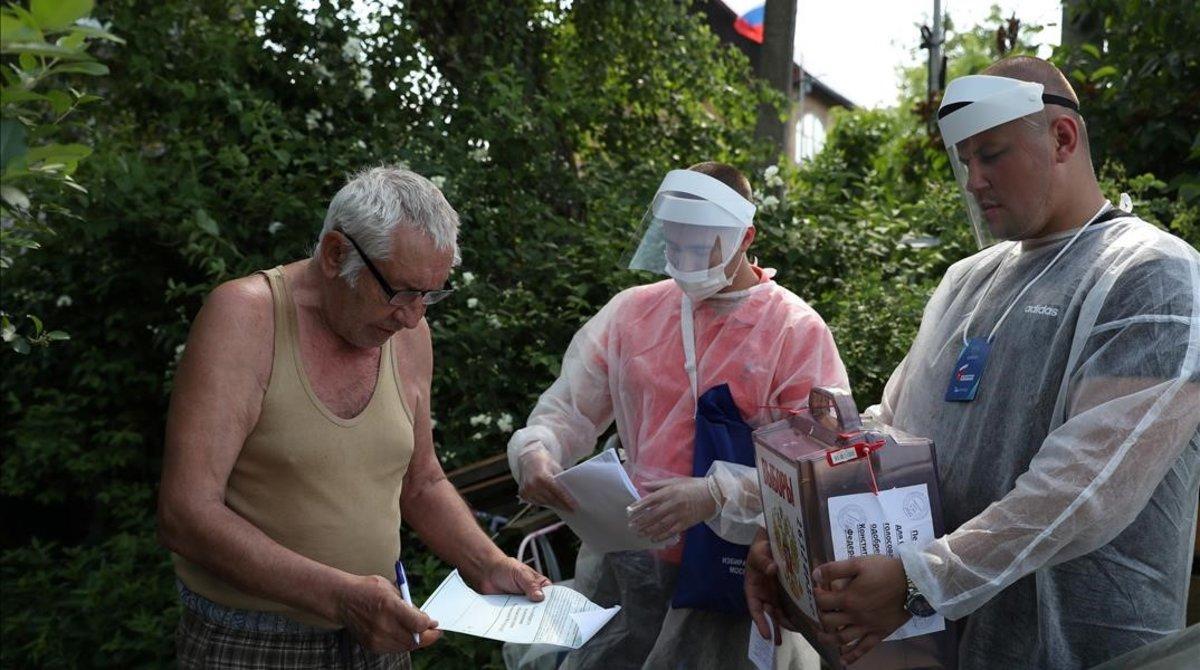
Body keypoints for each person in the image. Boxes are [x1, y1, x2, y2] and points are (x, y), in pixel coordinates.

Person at [745, 56, 1200, 670]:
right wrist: (793, 527)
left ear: (1062, 138)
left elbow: (1084, 489)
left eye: (992, 154)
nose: (973, 180)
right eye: (965, 161)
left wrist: (919, 583)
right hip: (949, 645)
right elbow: (888, 432)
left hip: (1088, 646)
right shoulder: (969, 282)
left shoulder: (1153, 277)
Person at [157, 166, 550, 669]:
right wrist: (341, 596)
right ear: (335, 254)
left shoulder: (407, 332)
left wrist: (489, 563)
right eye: (402, 292)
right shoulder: (245, 317)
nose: (414, 317)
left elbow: (423, 482)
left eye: (431, 295)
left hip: (378, 634)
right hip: (252, 642)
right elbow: (186, 514)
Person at [509, 162, 849, 669]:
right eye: (673, 244)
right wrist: (538, 449)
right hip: (627, 564)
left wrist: (718, 494)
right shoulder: (633, 313)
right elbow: (569, 408)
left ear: (745, 237)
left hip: (734, 572)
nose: (683, 261)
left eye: (700, 246)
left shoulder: (793, 331)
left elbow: (821, 466)